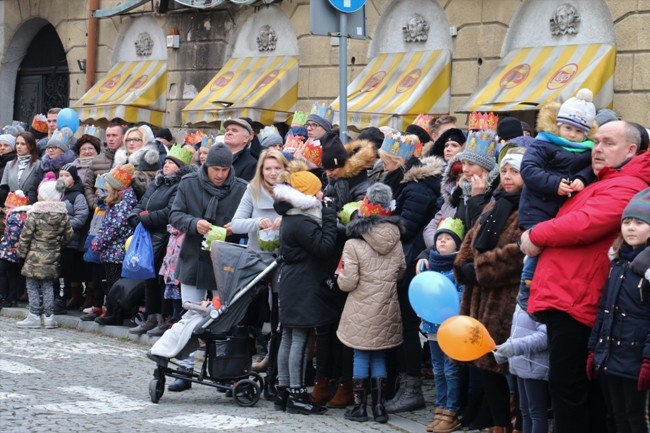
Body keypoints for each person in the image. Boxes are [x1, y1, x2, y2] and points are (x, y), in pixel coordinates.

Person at [519, 120, 650, 433]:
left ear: (631, 149)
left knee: (571, 389)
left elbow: (584, 223)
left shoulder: (629, 185)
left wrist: (536, 235)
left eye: (608, 142)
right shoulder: (605, 179)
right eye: (597, 141)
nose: (597, 149)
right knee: (577, 390)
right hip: (569, 295)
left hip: (578, 300)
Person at [455, 149, 526, 433]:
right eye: (505, 171)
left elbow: (519, 253)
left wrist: (481, 269)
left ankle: (521, 423)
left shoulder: (531, 208)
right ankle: (498, 423)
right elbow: (470, 241)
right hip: (480, 298)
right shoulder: (493, 205)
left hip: (509, 300)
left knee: (518, 368)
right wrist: (463, 265)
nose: (508, 177)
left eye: (515, 172)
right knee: (486, 364)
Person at [166, 143, 248, 392]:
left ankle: (222, 370)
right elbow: (175, 214)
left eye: (225, 169)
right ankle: (185, 369)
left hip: (225, 262)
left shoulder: (241, 189)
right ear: (206, 166)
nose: (220, 174)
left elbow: (246, 221)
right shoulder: (189, 183)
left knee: (222, 318)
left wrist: (234, 228)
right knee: (191, 315)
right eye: (216, 169)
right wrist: (194, 223)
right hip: (193, 257)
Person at [378, 133, 443, 414]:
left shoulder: (415, 188)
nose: (383, 168)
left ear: (399, 162)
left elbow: (405, 228)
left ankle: (411, 389)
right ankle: (402, 386)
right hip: (405, 262)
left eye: (386, 163)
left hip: (409, 264)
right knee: (402, 327)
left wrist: (377, 220)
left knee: (406, 328)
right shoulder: (404, 183)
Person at [312, 133, 377, 408]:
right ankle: (322, 379)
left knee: (344, 328)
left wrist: (327, 219)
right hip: (329, 260)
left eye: (332, 169)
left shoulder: (362, 186)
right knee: (325, 327)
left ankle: (346, 382)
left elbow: (360, 227)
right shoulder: (332, 184)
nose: (328, 174)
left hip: (351, 263)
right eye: (326, 169)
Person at [517, 89, 597, 311]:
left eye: (578, 131)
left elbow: (592, 170)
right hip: (538, 208)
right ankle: (526, 287)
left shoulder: (587, 151)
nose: (572, 135)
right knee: (536, 247)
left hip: (564, 211)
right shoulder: (543, 143)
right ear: (558, 125)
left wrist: (582, 178)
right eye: (568, 128)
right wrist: (554, 184)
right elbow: (529, 169)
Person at [272, 161, 338, 415]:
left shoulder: (291, 215)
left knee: (289, 336)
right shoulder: (302, 220)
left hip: (293, 280)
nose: (322, 195)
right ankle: (297, 394)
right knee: (299, 336)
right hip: (302, 282)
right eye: (318, 191)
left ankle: (283, 390)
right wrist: (330, 217)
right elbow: (324, 247)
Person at [336, 183, 406, 424]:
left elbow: (348, 282)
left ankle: (359, 408)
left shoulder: (353, 243)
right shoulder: (396, 240)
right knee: (379, 357)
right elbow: (400, 271)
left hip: (360, 307)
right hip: (386, 306)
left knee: (360, 355)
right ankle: (379, 408)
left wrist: (340, 279)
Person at [587, 189, 650, 433]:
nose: (631, 228)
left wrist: (648, 359)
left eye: (639, 223)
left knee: (637, 418)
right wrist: (595, 349)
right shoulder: (617, 264)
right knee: (617, 415)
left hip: (636, 359)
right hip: (612, 356)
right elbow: (605, 310)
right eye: (627, 222)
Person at [231, 148, 288, 399]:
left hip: (282, 262)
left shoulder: (290, 191)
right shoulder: (252, 191)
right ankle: (237, 373)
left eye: (277, 168)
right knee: (244, 316)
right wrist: (259, 223)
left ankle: (274, 376)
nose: (273, 173)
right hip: (256, 260)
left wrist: (285, 223)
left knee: (278, 320)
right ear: (261, 170)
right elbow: (236, 223)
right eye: (268, 168)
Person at [126, 145, 194, 335]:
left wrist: (144, 218)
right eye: (166, 162)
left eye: (171, 163)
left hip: (165, 237)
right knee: (149, 277)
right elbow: (141, 204)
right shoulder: (157, 182)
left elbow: (170, 211)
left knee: (161, 279)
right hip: (148, 234)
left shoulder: (180, 185)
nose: (166, 166)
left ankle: (164, 319)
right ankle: (151, 316)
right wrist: (135, 215)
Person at [415, 217, 466, 433]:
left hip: (451, 329)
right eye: (440, 238)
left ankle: (452, 411)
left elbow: (461, 298)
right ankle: (441, 407)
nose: (442, 242)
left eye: (448, 239)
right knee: (438, 369)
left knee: (451, 369)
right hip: (432, 328)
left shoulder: (458, 270)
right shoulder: (429, 266)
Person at [16, 174, 73, 329]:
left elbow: (26, 235)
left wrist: (21, 252)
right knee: (48, 285)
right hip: (53, 255)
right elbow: (69, 235)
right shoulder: (63, 215)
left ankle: (34, 315)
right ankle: (49, 317)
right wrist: (58, 244)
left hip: (34, 256)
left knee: (32, 285)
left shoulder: (35, 213)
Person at [90, 164, 138, 325]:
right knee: (110, 282)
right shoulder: (118, 201)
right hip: (111, 250)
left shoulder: (123, 204)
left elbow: (115, 227)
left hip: (117, 250)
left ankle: (115, 313)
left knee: (115, 284)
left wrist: (99, 242)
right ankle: (111, 311)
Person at [494, 303, 550, 433]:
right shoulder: (522, 301)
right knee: (524, 411)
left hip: (535, 366)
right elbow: (517, 333)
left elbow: (546, 336)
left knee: (536, 412)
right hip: (521, 365)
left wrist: (515, 347)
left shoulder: (542, 302)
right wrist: (505, 348)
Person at [57, 163, 91, 311]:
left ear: (74, 179)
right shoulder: (57, 194)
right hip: (54, 240)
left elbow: (81, 217)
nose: (63, 178)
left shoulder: (78, 196)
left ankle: (63, 298)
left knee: (65, 271)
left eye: (67, 175)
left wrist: (63, 225)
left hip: (69, 240)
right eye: (61, 175)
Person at [84, 123, 124, 210]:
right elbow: (88, 186)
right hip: (100, 209)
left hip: (120, 211)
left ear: (123, 137)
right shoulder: (96, 160)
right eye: (108, 136)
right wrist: (94, 205)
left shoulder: (128, 160)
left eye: (114, 135)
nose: (110, 139)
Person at [0, 191, 30, 308]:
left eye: (7, 207)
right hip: (15, 252)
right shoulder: (23, 215)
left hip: (8, 251)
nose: (5, 209)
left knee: (2, 273)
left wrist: (8, 242)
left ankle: (2, 296)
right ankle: (12, 298)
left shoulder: (13, 216)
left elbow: (14, 233)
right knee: (13, 275)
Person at [114, 126, 161, 199]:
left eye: (136, 139)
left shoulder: (149, 160)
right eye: (128, 140)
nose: (131, 143)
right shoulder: (122, 160)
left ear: (144, 141)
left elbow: (145, 191)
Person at [1, 131, 42, 204]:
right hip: (10, 206)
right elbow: (4, 188)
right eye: (17, 143)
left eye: (23, 144)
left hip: (29, 206)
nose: (19, 146)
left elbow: (38, 189)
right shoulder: (9, 164)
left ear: (31, 146)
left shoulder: (38, 164)